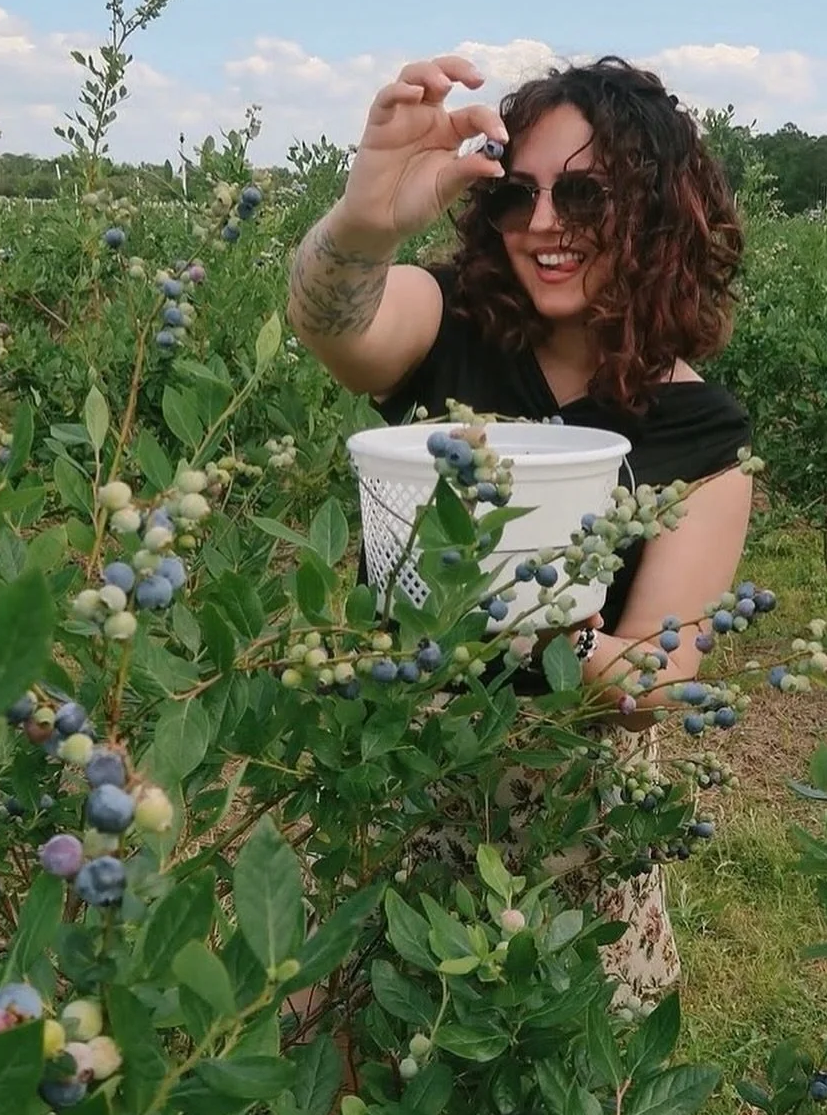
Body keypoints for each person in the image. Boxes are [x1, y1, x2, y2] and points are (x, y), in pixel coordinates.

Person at [287, 52, 754, 1000]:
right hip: (398, 776)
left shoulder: (699, 431)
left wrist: (530, 612)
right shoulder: (449, 318)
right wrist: (363, 222)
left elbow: (661, 674)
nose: (542, 225)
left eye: (583, 197)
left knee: (552, 1091)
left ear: (658, 214)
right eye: (518, 196)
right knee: (352, 1074)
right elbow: (334, 325)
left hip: (568, 822)